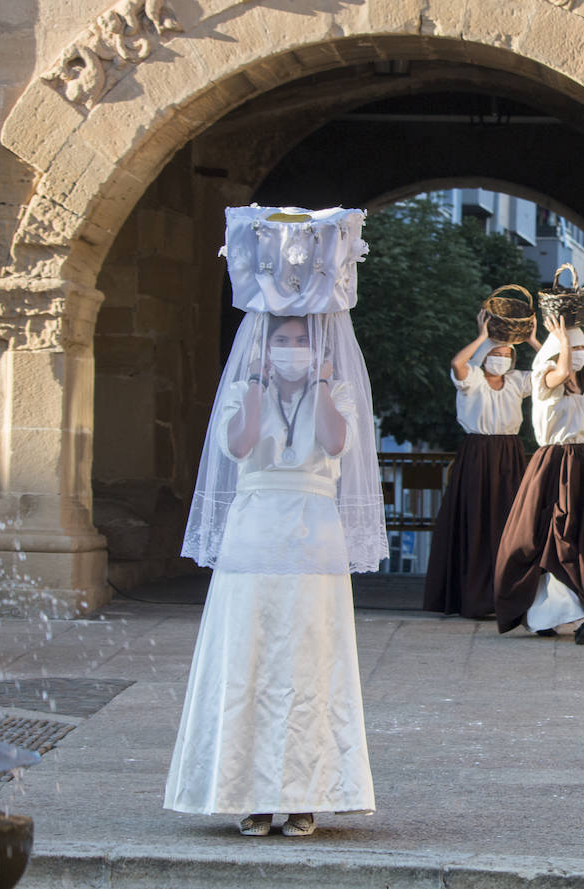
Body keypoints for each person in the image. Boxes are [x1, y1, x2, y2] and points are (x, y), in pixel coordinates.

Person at [168, 206, 386, 837]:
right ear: (267, 342)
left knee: (310, 663)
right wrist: (262, 384)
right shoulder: (243, 391)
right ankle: (250, 793)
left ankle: (306, 793)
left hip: (313, 535)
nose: (291, 348)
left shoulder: (335, 392)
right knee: (251, 661)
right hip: (254, 533)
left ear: (316, 344)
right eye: (282, 339)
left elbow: (335, 442)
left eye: (300, 340)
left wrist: (317, 382)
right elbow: (237, 449)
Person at [493, 315, 584, 642]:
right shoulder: (546, 380)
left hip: (583, 462)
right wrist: (557, 340)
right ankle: (576, 612)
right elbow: (560, 372)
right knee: (553, 535)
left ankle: (547, 615)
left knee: (571, 535)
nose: (575, 353)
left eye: (581, 348)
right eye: (569, 348)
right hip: (552, 462)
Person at [423, 309, 539, 617]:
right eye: (495, 353)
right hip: (477, 454)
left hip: (510, 456)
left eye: (506, 353)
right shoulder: (473, 378)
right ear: (486, 354)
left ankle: (507, 596)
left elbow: (554, 370)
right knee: (475, 521)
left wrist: (532, 339)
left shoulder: (516, 381)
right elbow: (458, 363)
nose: (501, 358)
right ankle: (473, 597)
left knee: (509, 524)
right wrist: (482, 337)